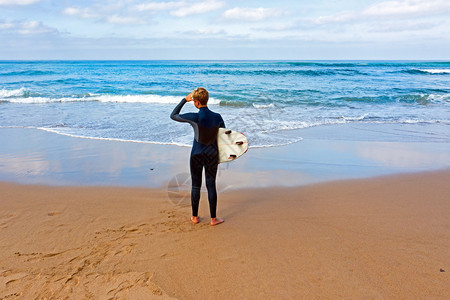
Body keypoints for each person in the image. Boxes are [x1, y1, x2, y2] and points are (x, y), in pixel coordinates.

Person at [170, 88, 225, 226]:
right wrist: (223, 155)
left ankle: (194, 217)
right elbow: (224, 137)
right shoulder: (217, 117)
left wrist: (184, 100)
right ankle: (213, 219)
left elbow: (173, 115)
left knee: (196, 185)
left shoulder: (194, 117)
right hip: (212, 154)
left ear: (197, 102)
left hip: (196, 154)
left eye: (194, 100)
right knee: (211, 185)